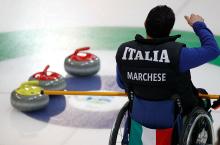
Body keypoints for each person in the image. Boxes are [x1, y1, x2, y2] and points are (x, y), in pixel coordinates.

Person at [115, 5, 220, 145]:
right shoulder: (178, 54)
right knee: (203, 99)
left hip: (139, 114)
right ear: (170, 29)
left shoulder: (124, 51)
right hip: (173, 117)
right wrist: (198, 25)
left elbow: (122, 83)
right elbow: (212, 50)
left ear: (145, 23)